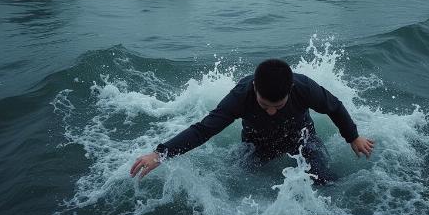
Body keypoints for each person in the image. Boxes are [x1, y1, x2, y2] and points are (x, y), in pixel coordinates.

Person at [130, 58, 375, 185]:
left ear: (290, 90)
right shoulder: (240, 97)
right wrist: (160, 153)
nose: (270, 112)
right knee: (238, 180)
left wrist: (353, 137)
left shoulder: (303, 87)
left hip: (301, 139)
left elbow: (334, 107)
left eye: (277, 106)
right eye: (264, 104)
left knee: (323, 180)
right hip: (257, 144)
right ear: (255, 87)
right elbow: (203, 130)